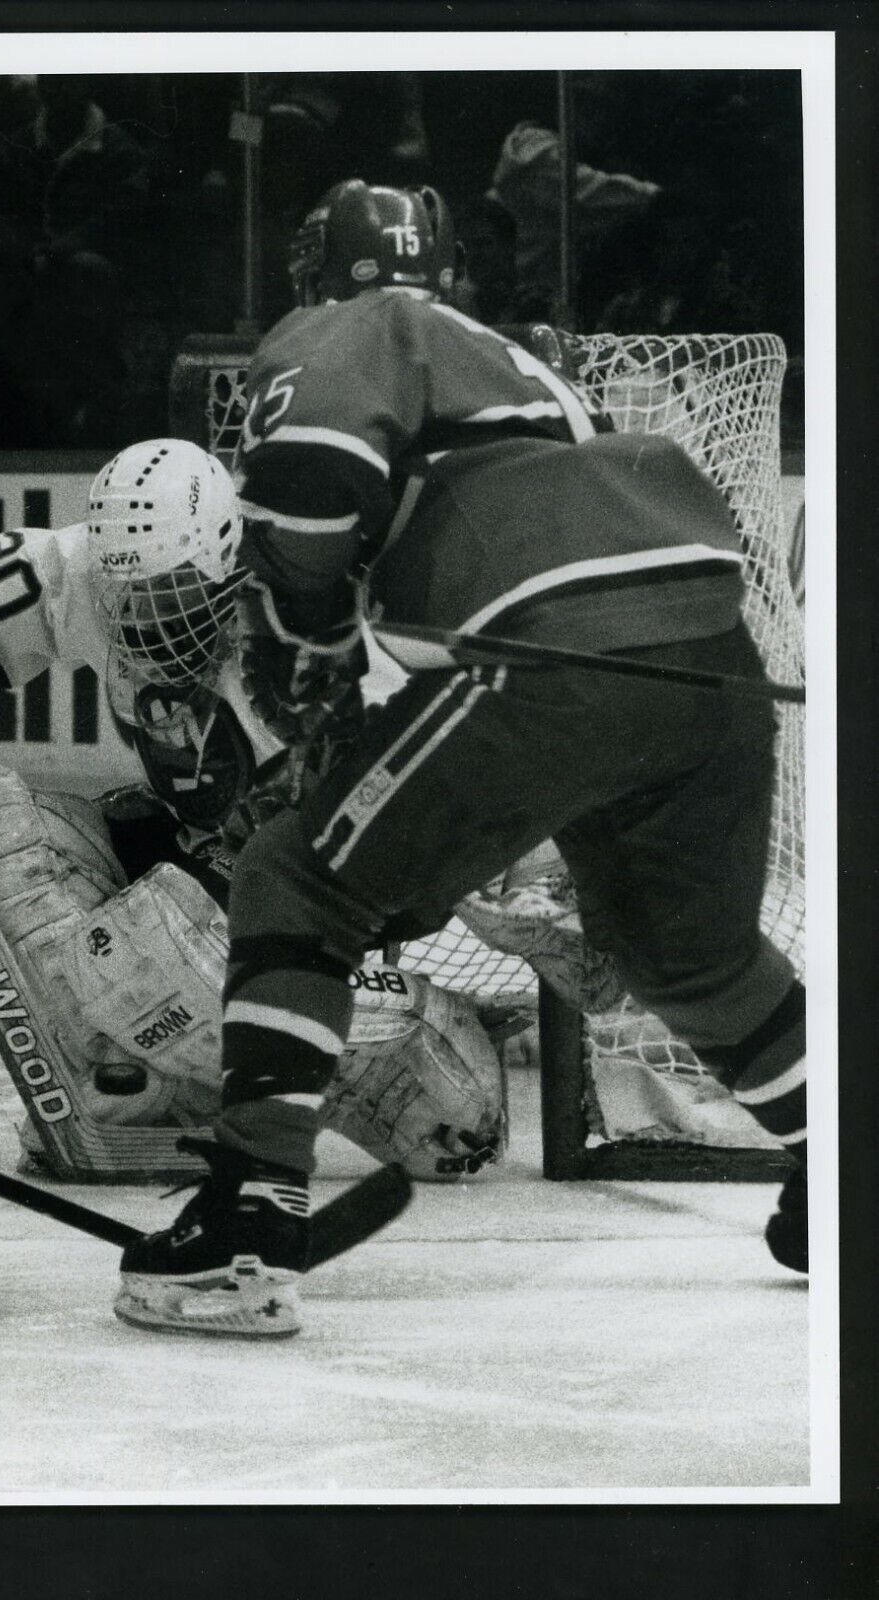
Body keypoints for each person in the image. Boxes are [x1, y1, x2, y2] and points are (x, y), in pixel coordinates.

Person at [113, 180, 807, 1340]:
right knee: (685, 955)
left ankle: (246, 1216)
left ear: (322, 266)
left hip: (553, 647)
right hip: (705, 646)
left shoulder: (357, 322)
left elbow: (320, 470)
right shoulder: (512, 355)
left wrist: (311, 638)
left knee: (296, 880)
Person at [0, 434, 507, 1187]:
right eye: (127, 596)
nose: (143, 620)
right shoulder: (83, 574)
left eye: (171, 596)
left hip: (316, 916)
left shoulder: (318, 643)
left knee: (455, 1128)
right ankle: (154, 1089)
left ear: (229, 561)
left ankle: (371, 1031)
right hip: (199, 860)